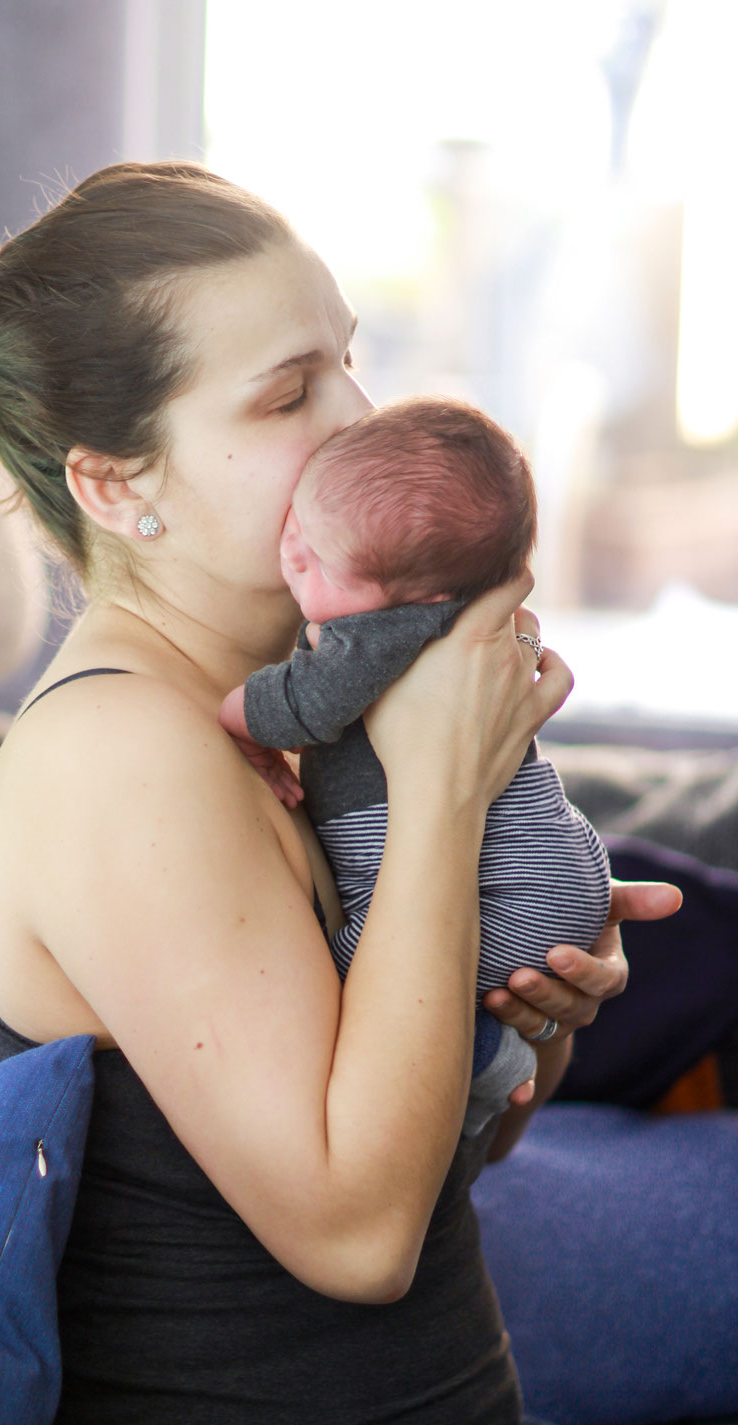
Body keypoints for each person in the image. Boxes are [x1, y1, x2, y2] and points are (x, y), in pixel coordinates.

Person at [0, 161, 733, 1425]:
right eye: (286, 395)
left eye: (349, 365)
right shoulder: (119, 759)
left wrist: (528, 1012)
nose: (357, 422)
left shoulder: (324, 719)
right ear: (116, 482)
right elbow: (359, 1238)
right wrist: (445, 787)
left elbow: (442, 1163)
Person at [218, 398, 611, 1136]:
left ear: (425, 596)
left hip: (513, 884)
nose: (291, 553)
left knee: (354, 983)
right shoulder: (442, 608)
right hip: (546, 850)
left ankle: (484, 1060)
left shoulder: (384, 633)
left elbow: (306, 702)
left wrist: (237, 718)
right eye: (296, 529)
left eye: (319, 559)